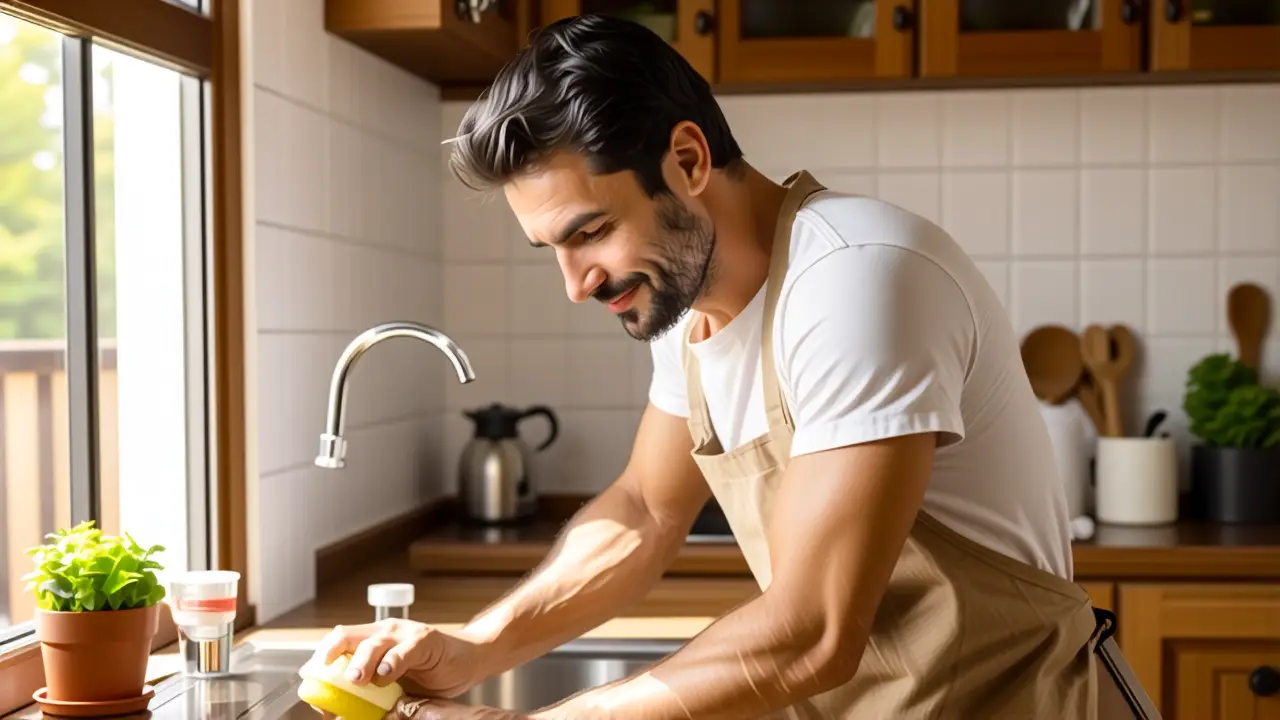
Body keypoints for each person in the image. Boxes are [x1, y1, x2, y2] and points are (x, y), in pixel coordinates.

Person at [309, 13, 1108, 720]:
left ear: (688, 159)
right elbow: (646, 513)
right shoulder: (686, 305)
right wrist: (477, 646)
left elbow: (813, 630)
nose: (575, 283)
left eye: (589, 231)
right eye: (551, 248)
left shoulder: (856, 280)